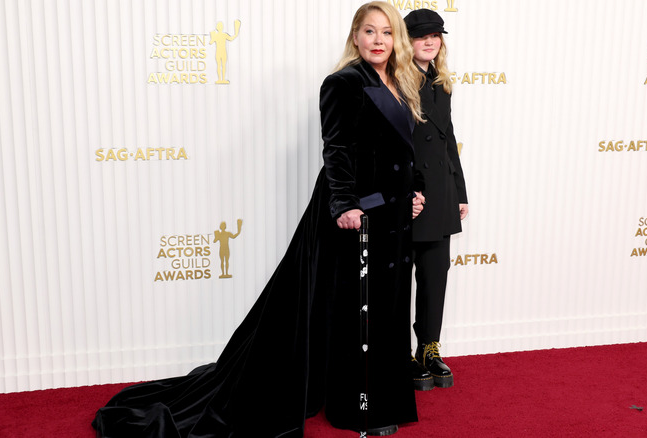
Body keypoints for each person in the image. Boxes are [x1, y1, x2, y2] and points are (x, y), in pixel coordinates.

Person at [92, 2, 424, 437]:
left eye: (386, 32)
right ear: (355, 37)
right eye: (369, 31)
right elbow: (337, 150)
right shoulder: (342, 83)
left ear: (396, 39)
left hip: (393, 216)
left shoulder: (403, 82)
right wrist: (344, 205)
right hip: (357, 215)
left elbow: (404, 151)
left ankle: (386, 398)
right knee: (356, 312)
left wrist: (415, 192)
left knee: (389, 306)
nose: (378, 41)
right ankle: (358, 409)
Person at [403, 9, 469, 391]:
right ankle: (397, 355)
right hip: (410, 195)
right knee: (398, 282)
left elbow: (448, 140)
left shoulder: (441, 82)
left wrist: (459, 192)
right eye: (420, 36)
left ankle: (427, 350)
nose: (429, 42)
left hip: (441, 193)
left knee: (434, 278)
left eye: (435, 35)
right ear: (406, 40)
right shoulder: (395, 79)